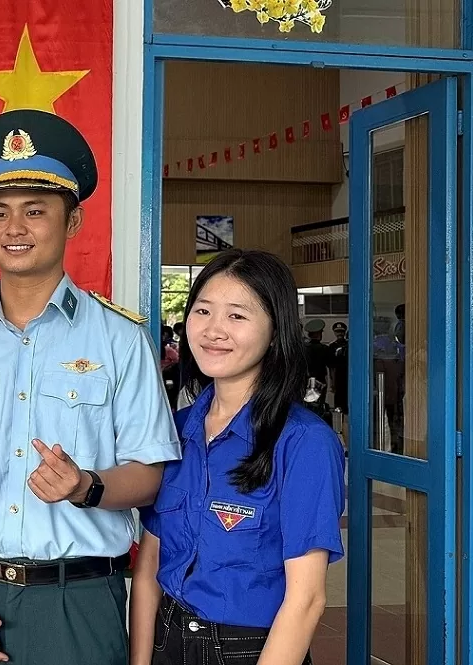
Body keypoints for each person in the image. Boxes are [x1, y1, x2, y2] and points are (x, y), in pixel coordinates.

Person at [0, 109, 180, 665]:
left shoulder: (120, 340)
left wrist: (86, 486)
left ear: (72, 223)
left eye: (35, 211)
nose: (14, 228)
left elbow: (150, 476)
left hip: (78, 604)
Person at [129, 249, 345, 665]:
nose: (213, 330)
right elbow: (151, 562)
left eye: (237, 316)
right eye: (203, 311)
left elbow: (307, 600)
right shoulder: (176, 429)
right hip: (167, 640)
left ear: (275, 330)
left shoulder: (305, 442)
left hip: (249, 649)